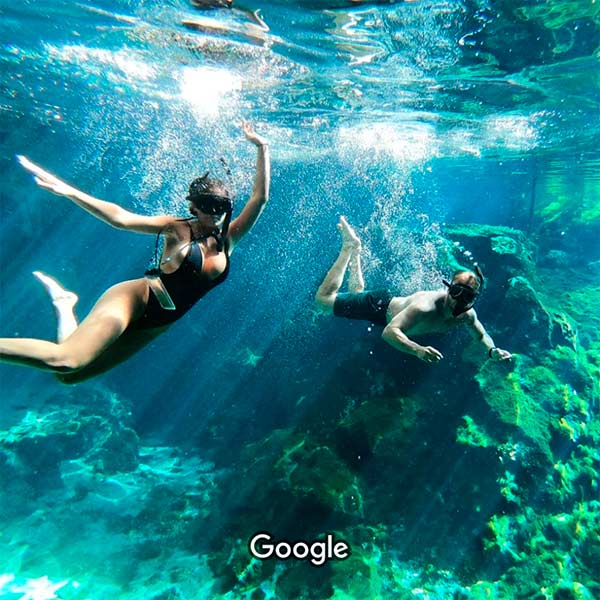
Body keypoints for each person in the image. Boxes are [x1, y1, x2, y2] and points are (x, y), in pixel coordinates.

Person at [0, 121, 270, 383]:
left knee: (69, 376)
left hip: (159, 322)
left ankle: (64, 303)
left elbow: (260, 197)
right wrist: (71, 192)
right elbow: (120, 218)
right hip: (133, 300)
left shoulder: (229, 237)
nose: (216, 215)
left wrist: (262, 146)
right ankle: (64, 311)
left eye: (222, 208)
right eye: (208, 209)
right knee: (67, 360)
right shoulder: (176, 228)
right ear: (193, 209)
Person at [315, 216, 512, 364]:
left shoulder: (468, 315)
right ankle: (348, 248)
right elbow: (390, 332)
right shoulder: (424, 308)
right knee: (323, 301)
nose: (458, 301)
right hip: (378, 306)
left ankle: (356, 250)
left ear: (474, 299)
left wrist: (492, 351)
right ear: (448, 289)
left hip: (385, 312)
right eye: (456, 293)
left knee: (356, 293)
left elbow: (481, 336)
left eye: (467, 297)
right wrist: (417, 350)